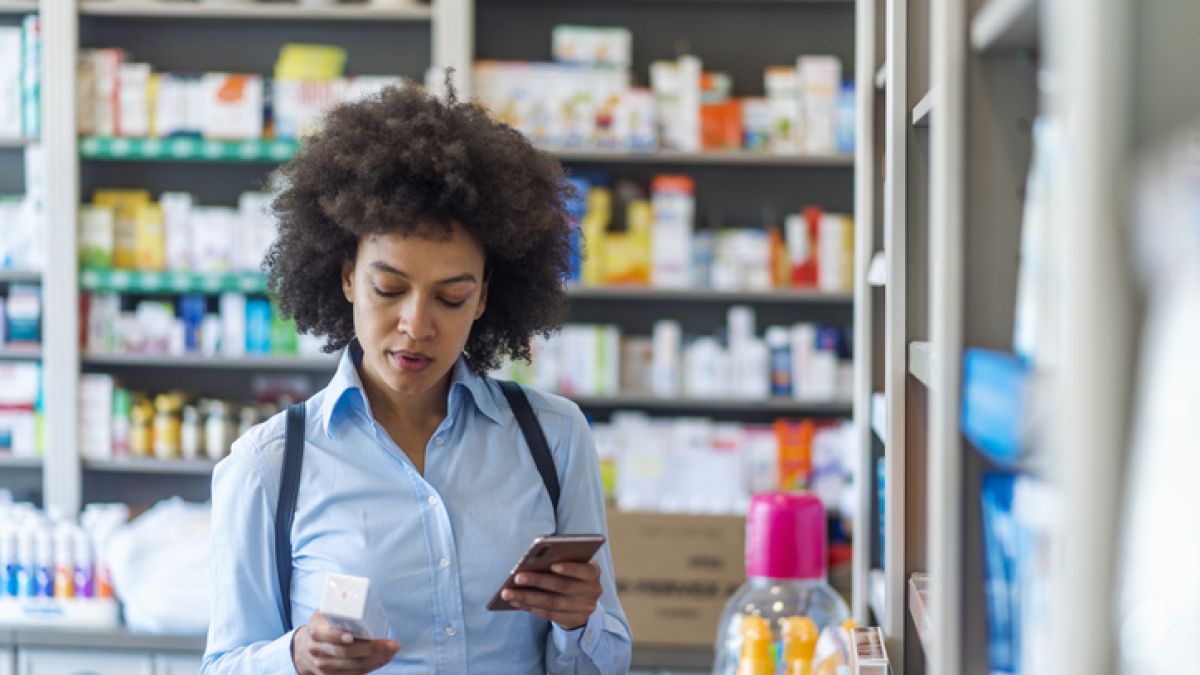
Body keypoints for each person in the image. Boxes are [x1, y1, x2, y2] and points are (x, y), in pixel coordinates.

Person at [201, 83, 632, 675]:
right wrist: (294, 657)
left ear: (483, 300)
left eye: (451, 297)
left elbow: (605, 664)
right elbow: (223, 664)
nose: (416, 325)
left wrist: (580, 621)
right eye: (389, 289)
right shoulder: (270, 465)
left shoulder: (553, 438)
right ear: (348, 276)